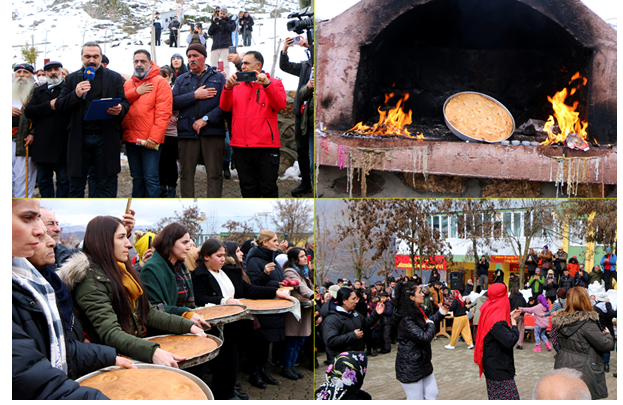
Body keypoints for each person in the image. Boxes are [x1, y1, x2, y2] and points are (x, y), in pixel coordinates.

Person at [12, 199, 135, 400]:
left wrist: (109, 356)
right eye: (28, 218)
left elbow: (58, 347)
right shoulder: (86, 278)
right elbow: (28, 375)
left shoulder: (40, 282)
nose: (53, 238)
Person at [58, 215, 206, 366]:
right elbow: (110, 333)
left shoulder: (121, 271)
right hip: (113, 361)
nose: (129, 244)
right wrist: (152, 351)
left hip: (131, 350)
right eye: (121, 237)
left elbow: (147, 313)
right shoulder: (90, 279)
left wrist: (187, 325)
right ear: (103, 241)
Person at [191, 238, 289, 399]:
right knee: (226, 366)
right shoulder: (198, 275)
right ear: (206, 256)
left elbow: (249, 290)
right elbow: (200, 299)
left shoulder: (229, 272)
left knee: (237, 363)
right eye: (219, 255)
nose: (223, 259)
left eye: (224, 255)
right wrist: (225, 301)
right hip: (220, 328)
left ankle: (229, 393)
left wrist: (274, 292)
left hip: (239, 325)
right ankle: (224, 396)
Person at [55, 42, 129, 197]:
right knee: (76, 185)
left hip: (105, 138)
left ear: (101, 57)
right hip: (79, 139)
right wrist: (75, 94)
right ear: (82, 57)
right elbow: (60, 105)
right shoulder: (71, 78)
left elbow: (125, 102)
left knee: (105, 184)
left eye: (95, 56)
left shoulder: (114, 77)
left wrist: (120, 109)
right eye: (87, 56)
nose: (92, 60)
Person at [220, 51, 287, 197]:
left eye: (246, 63)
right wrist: (227, 88)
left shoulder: (274, 83)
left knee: (268, 188)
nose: (242, 66)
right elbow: (225, 107)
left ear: (258, 66)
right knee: (247, 189)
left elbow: (280, 105)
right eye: (242, 63)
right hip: (241, 146)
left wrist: (267, 85)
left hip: (266, 147)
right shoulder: (236, 85)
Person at [172, 43, 227, 197]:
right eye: (189, 56)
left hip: (212, 131)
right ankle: (188, 208)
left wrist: (206, 119)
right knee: (186, 174)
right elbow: (173, 102)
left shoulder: (219, 77)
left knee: (215, 174)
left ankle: (213, 207)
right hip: (187, 132)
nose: (191, 59)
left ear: (204, 57)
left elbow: (225, 104)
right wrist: (194, 95)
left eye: (195, 55)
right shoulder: (181, 80)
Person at [122, 49, 172, 197]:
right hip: (131, 139)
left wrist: (154, 138)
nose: (139, 64)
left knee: (150, 178)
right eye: (136, 61)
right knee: (136, 179)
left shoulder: (161, 83)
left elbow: (164, 113)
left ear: (150, 63)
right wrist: (136, 91)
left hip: (149, 141)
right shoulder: (128, 84)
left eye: (142, 61)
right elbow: (123, 104)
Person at [551, 287, 615, 399]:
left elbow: (554, 339)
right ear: (585, 300)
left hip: (563, 365)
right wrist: (608, 335)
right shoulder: (587, 323)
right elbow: (607, 345)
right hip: (584, 370)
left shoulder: (560, 320)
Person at [23, 60, 70, 198]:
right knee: (44, 180)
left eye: (56, 69)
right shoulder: (39, 91)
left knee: (63, 180)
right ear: (46, 73)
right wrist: (49, 106)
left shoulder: (68, 90)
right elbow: (29, 112)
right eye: (50, 70)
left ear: (61, 71)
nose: (53, 72)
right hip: (42, 144)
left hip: (63, 143)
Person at [394, 282, 448, 400]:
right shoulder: (406, 318)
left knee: (432, 394)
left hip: (423, 362)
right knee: (415, 399)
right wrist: (431, 324)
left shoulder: (416, 311)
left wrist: (440, 314)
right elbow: (424, 337)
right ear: (411, 297)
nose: (423, 294)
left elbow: (428, 323)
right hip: (410, 366)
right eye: (419, 292)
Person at [39, 207, 135, 270]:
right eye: (50, 224)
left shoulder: (63, 252)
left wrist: (119, 234)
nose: (58, 229)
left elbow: (96, 253)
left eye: (57, 224)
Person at [474, 283, 521, 400]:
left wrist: (509, 318)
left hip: (493, 366)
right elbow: (509, 341)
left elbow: (497, 326)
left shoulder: (489, 308)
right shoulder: (496, 321)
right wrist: (514, 326)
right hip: (499, 371)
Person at [280, 36, 313, 197]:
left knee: (315, 153)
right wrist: (285, 50)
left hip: (316, 116)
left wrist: (311, 45)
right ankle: (306, 183)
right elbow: (284, 66)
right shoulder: (305, 66)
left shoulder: (325, 63)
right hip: (301, 114)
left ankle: (316, 182)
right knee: (302, 150)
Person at [323, 287, 385, 365]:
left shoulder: (354, 313)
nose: (356, 301)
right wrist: (353, 335)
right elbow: (330, 341)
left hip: (356, 359)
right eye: (353, 299)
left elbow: (365, 324)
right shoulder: (332, 319)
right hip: (341, 362)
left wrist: (376, 313)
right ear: (344, 301)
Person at [280, 247, 314, 380]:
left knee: (300, 340)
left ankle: (292, 365)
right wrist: (312, 295)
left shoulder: (303, 271)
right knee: (292, 340)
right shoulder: (290, 271)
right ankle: (286, 366)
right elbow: (301, 287)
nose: (305, 258)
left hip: (304, 310)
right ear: (294, 259)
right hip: (295, 312)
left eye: (305, 255)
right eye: (302, 256)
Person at [12, 63, 37, 198]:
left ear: (31, 75)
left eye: (25, 72)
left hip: (24, 141)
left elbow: (42, 116)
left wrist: (33, 133)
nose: (21, 75)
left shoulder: (37, 91)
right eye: (19, 72)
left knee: (23, 178)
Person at [208, 7, 236, 75]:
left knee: (226, 64)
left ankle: (226, 79)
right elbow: (210, 32)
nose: (222, 15)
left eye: (224, 14)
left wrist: (223, 22)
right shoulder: (215, 21)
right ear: (218, 13)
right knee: (213, 65)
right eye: (221, 13)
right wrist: (214, 23)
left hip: (225, 45)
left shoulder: (230, 21)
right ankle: (213, 78)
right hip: (215, 45)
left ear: (226, 15)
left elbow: (232, 28)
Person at [593, 292, 616, 373]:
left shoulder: (595, 308)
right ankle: (606, 365)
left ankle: (599, 363)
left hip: (599, 328)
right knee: (607, 347)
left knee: (598, 346)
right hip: (609, 329)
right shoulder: (609, 307)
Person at [541, 287, 567, 352]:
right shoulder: (569, 300)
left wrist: (543, 315)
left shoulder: (557, 302)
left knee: (553, 336)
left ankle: (559, 352)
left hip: (557, 322)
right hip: (567, 321)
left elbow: (550, 312)